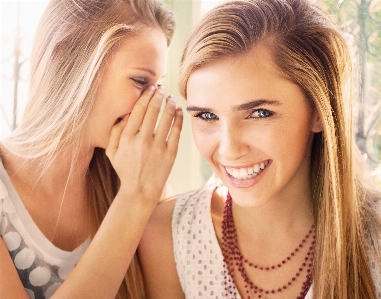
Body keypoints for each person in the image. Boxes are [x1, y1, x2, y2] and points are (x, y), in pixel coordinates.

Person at [138, 0, 381, 298]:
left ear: (319, 111)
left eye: (260, 113)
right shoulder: (167, 234)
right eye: (207, 116)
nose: (229, 150)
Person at [0, 0, 183, 298]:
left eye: (159, 86)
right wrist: (136, 197)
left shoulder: (135, 183)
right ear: (65, 59)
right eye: (140, 81)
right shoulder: (137, 191)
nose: (155, 105)